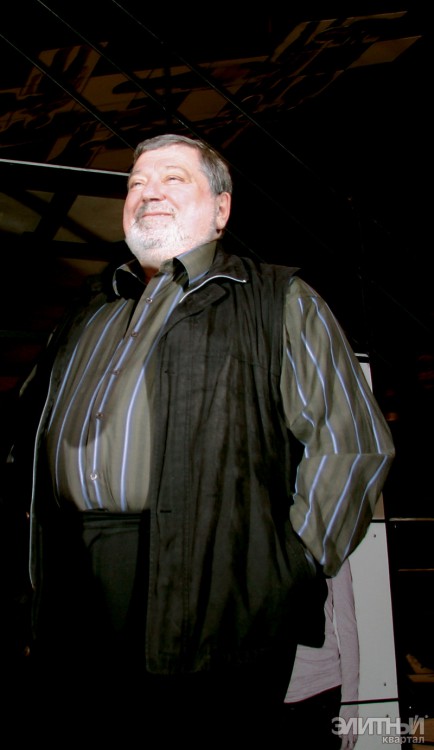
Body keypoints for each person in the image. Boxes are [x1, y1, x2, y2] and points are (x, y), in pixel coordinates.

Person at [2, 133, 395, 742]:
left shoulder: (277, 299)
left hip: (217, 599)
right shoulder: (89, 308)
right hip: (73, 592)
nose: (148, 191)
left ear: (221, 209)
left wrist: (290, 569)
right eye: (136, 183)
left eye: (173, 178)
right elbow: (22, 438)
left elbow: (352, 445)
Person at [282, 558, 360, 749]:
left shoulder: (332, 548)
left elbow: (347, 627)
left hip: (322, 690)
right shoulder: (265, 545)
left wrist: (350, 704)